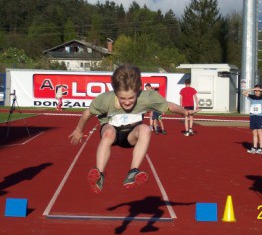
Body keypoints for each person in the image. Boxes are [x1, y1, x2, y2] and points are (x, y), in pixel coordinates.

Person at [69, 65, 191, 194]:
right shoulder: (105, 99)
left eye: (131, 98)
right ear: (115, 92)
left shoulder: (147, 97)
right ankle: (99, 174)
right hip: (111, 131)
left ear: (138, 90)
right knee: (109, 133)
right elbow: (87, 113)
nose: (127, 102)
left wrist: (185, 112)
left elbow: (169, 106)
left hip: (131, 135)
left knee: (145, 129)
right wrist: (78, 130)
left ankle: (133, 172)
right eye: (122, 98)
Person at [243, 84, 262, 154]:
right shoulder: (251, 97)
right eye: (255, 91)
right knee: (254, 133)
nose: (256, 92)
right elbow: (244, 93)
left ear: (260, 91)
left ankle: (261, 148)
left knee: (260, 133)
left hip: (259, 117)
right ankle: (254, 148)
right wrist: (252, 89)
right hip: (253, 117)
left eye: (258, 91)